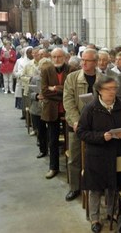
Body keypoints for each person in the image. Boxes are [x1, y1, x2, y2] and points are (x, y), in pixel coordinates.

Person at [78, 76, 121, 233]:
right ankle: (95, 218)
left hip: (117, 152)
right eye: (108, 89)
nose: (112, 92)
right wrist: (101, 137)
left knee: (113, 185)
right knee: (95, 188)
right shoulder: (91, 108)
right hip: (97, 154)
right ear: (99, 91)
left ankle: (111, 213)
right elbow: (81, 132)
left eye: (114, 88)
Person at [63, 49, 102, 201]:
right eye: (82, 60)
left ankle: (96, 187)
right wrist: (76, 121)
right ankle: (75, 187)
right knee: (75, 158)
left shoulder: (103, 79)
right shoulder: (72, 78)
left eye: (88, 60)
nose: (84, 63)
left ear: (96, 62)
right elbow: (68, 101)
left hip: (97, 127)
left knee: (96, 158)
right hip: (77, 126)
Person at [41, 48, 70, 179]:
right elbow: (44, 92)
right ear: (51, 58)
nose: (56, 59)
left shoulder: (72, 69)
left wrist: (54, 89)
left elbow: (71, 91)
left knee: (69, 141)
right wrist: (62, 92)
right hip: (51, 110)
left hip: (68, 109)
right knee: (53, 141)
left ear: (64, 57)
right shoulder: (46, 70)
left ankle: (71, 168)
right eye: (54, 57)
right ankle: (53, 167)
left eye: (59, 56)